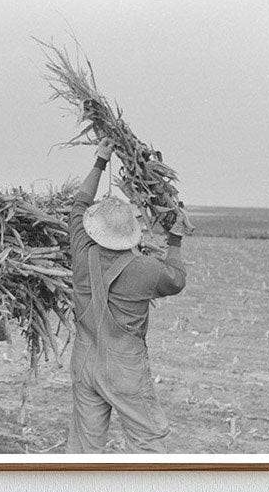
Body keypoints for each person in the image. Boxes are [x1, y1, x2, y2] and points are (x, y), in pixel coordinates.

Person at [66, 137, 188, 453]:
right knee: (147, 442)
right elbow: (176, 280)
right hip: (124, 366)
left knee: (84, 446)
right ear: (128, 236)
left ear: (96, 230)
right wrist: (175, 239)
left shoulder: (81, 251)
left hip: (84, 359)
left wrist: (101, 158)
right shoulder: (145, 269)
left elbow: (79, 203)